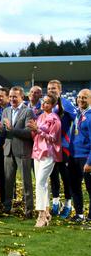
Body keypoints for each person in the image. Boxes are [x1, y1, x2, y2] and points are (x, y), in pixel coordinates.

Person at [0, 86, 34, 218]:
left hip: (23, 150)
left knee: (26, 182)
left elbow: (29, 133)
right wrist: (0, 129)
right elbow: (5, 133)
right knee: (8, 181)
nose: (12, 99)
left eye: (14, 96)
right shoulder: (6, 111)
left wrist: (11, 129)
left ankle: (29, 211)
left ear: (22, 97)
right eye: (10, 96)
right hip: (8, 150)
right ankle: (7, 208)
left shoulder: (28, 111)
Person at [27, 94, 62, 227]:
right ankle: (47, 212)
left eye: (47, 103)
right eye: (43, 102)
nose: (43, 105)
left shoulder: (55, 119)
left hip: (49, 153)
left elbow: (53, 138)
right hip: (37, 152)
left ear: (53, 105)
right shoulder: (40, 116)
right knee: (43, 184)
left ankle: (41, 215)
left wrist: (37, 130)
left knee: (40, 183)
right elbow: (35, 135)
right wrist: (33, 130)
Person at [48, 80, 76, 218]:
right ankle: (55, 202)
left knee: (66, 176)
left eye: (54, 88)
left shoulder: (67, 104)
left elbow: (76, 121)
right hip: (50, 147)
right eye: (49, 88)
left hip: (64, 146)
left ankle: (68, 204)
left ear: (60, 90)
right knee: (53, 176)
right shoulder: (47, 104)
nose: (51, 90)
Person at [68, 89, 91, 223]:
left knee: (90, 188)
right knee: (74, 186)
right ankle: (79, 214)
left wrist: (89, 162)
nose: (81, 100)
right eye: (79, 97)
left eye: (85, 98)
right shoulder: (78, 113)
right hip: (74, 156)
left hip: (85, 157)